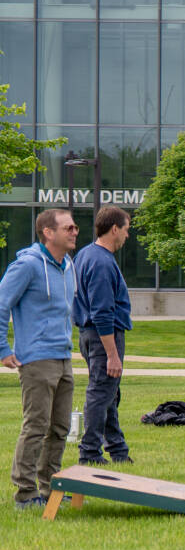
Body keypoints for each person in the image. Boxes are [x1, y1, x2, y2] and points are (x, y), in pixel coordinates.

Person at [1, 208, 78, 509]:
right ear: (48, 232)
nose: (75, 232)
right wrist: (3, 350)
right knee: (36, 426)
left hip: (63, 356)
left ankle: (49, 488)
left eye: (74, 227)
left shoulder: (67, 264)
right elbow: (1, 304)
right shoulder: (27, 266)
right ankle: (25, 493)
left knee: (60, 428)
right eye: (68, 228)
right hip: (36, 359)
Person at [70, 205, 133, 467]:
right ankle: (90, 453)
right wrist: (112, 354)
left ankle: (117, 449)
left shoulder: (85, 255)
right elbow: (102, 311)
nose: (127, 236)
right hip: (102, 335)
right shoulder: (101, 262)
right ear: (114, 228)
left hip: (89, 334)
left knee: (109, 394)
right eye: (126, 230)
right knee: (100, 393)